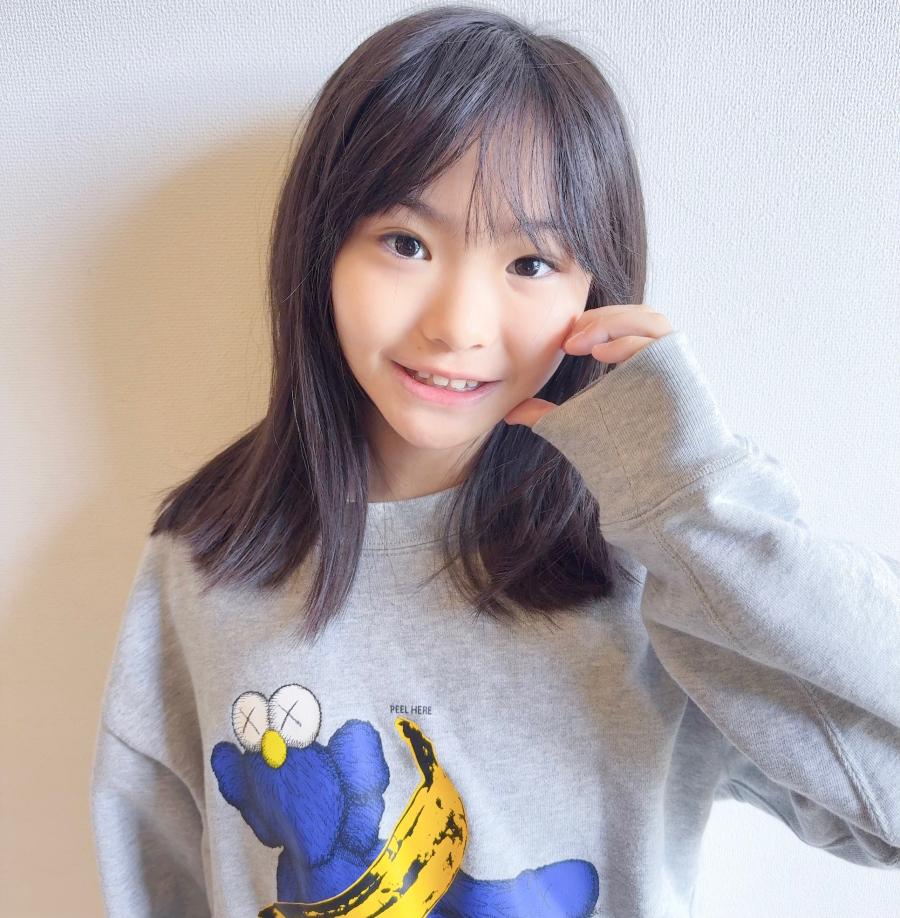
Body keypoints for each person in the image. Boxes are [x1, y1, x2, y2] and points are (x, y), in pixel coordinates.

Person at [89, 6, 900, 917]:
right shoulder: (207, 558)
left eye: (531, 263)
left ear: (595, 289)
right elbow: (154, 874)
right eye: (406, 243)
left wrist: (692, 504)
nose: (459, 325)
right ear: (322, 250)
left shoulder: (657, 562)